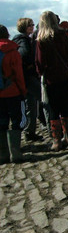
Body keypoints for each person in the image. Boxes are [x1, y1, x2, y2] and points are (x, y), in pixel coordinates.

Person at [35, 11, 68, 151]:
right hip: (65, 75)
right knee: (66, 107)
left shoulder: (42, 39)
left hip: (51, 78)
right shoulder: (63, 35)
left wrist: (41, 73)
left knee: (53, 109)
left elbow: (40, 62)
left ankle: (57, 141)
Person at [12, 18, 43, 142]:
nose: (32, 26)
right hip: (29, 77)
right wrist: (31, 63)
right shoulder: (23, 40)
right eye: (30, 25)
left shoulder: (19, 39)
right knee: (42, 100)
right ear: (24, 27)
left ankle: (30, 131)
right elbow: (24, 54)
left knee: (30, 106)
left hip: (25, 77)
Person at [0, 24, 27, 163]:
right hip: (12, 91)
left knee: (1, 122)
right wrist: (23, 90)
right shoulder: (12, 51)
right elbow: (18, 74)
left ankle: (2, 154)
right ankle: (15, 152)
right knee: (17, 121)